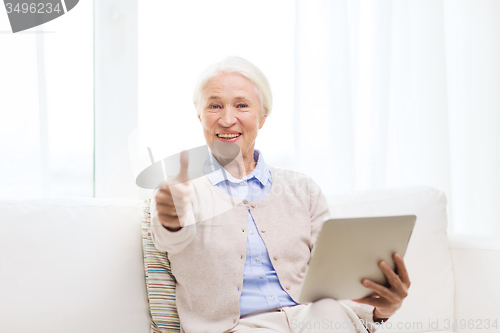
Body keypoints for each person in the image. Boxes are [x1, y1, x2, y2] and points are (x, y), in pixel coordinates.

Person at [150, 56, 410, 333]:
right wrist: (172, 217)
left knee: (329, 310)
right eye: (215, 106)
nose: (227, 119)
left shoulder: (303, 190)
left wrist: (379, 309)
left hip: (313, 322)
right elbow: (169, 236)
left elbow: (332, 280)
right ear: (199, 114)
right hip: (237, 329)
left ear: (262, 116)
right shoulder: (181, 191)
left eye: (241, 105)